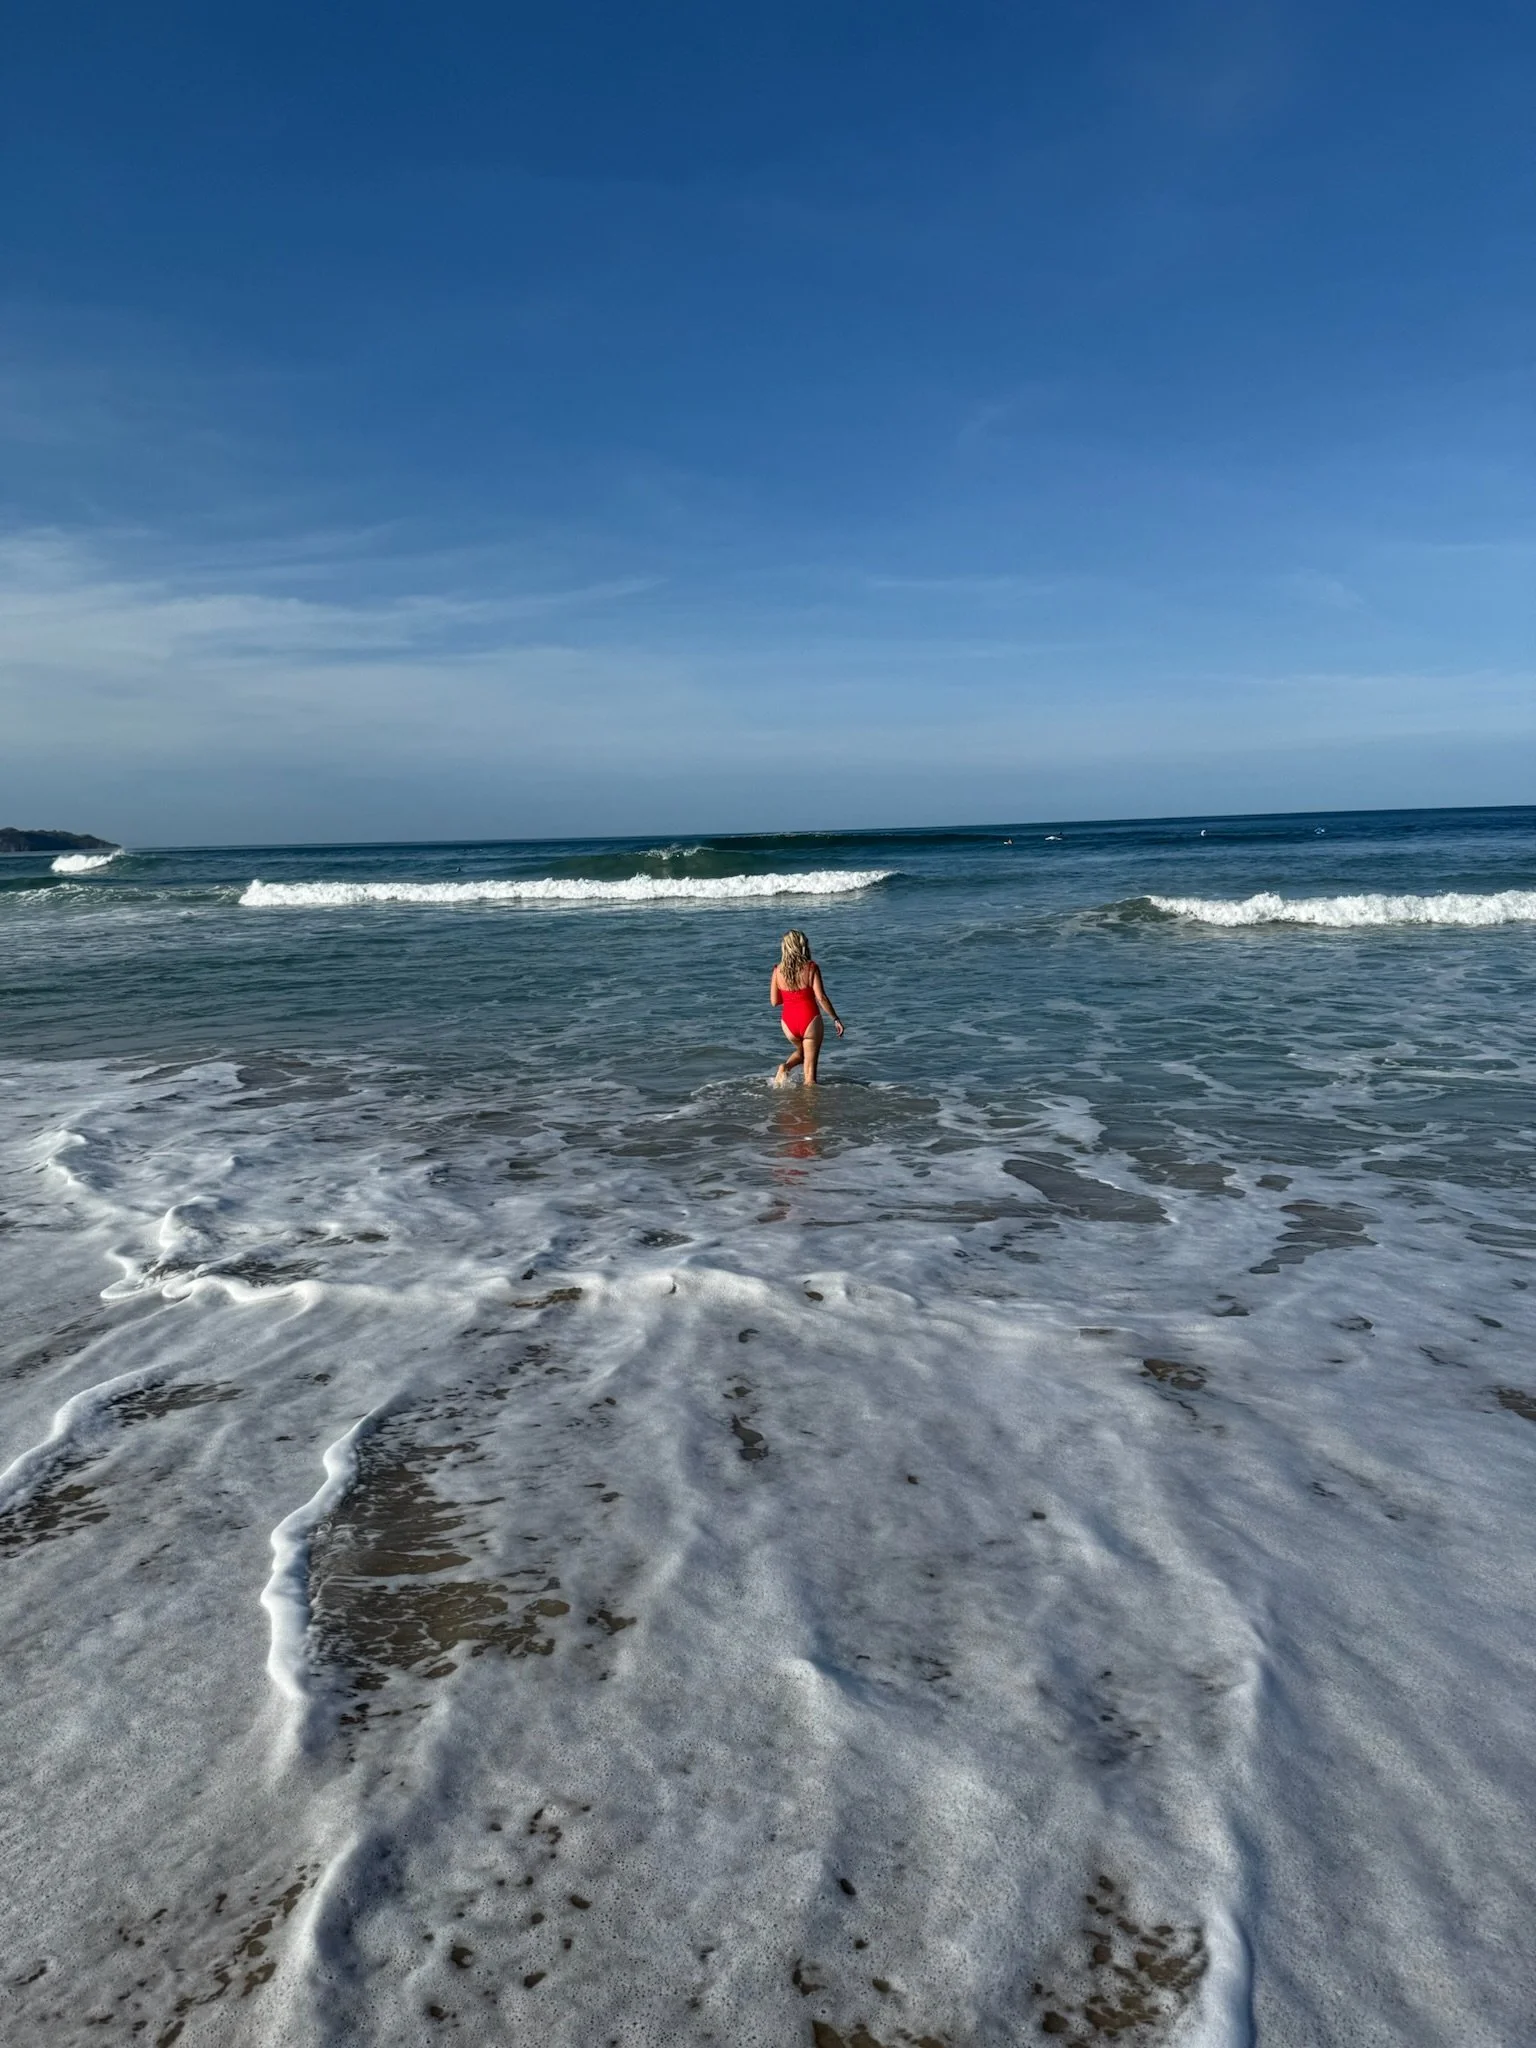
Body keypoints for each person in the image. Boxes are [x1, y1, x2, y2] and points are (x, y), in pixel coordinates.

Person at [769, 929, 844, 1086]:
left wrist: (792, 996)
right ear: (802, 946)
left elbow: (774, 1001)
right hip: (809, 1019)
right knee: (810, 1079)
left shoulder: (777, 970)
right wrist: (835, 1018)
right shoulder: (811, 967)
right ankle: (809, 1108)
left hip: (788, 1023)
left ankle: (786, 1067)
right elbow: (821, 997)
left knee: (802, 1053)